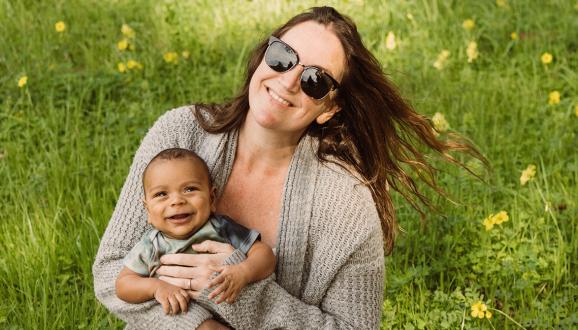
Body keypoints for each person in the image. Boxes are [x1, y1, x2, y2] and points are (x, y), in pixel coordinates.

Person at [93, 6, 483, 330]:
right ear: (264, 54)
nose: (288, 81)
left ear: (329, 107)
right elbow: (112, 272)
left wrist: (245, 290)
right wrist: (200, 326)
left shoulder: (344, 203)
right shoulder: (180, 133)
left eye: (315, 80)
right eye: (282, 56)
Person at [115, 148, 276, 315]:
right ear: (147, 210)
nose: (177, 201)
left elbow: (265, 255)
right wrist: (156, 287)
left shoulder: (221, 227)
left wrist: (244, 271)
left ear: (211, 198)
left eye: (190, 189)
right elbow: (123, 285)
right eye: (161, 194)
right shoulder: (151, 245)